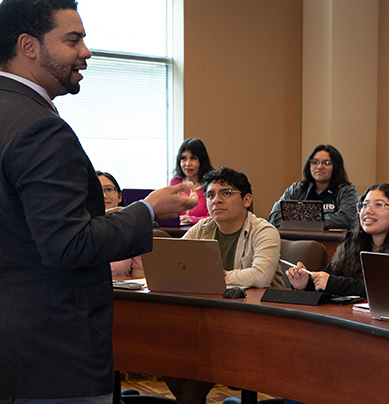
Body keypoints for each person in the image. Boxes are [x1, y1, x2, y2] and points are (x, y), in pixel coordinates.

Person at [0, 0, 197, 402]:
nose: (86, 52)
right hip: (52, 354)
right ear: (28, 46)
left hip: (2, 349)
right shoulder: (40, 128)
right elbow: (69, 244)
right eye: (72, 40)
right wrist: (148, 211)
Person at [164, 167, 284, 404]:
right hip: (208, 318)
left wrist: (219, 276)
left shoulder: (264, 231)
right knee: (167, 354)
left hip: (256, 321)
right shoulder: (202, 228)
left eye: (226, 193)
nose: (216, 200)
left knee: (193, 377)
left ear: (246, 199)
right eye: (210, 195)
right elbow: (176, 264)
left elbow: (260, 276)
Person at [287, 183, 389, 297]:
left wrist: (333, 283)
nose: (367, 211)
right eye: (365, 205)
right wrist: (307, 283)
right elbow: (327, 276)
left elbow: (386, 290)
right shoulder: (353, 242)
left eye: (378, 205)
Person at [268, 144, 359, 230]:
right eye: (315, 162)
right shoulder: (296, 189)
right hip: (296, 241)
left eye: (326, 163)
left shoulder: (347, 192)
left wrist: (299, 219)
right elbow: (275, 217)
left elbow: (346, 220)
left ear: (336, 167)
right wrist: (315, 221)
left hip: (333, 242)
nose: (319, 167)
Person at [97, 171, 144, 277]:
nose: (104, 195)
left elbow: (139, 282)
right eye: (98, 190)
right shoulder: (79, 229)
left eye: (109, 189)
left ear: (119, 197)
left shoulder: (134, 229)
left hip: (123, 293)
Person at [170, 138, 214, 224]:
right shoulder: (175, 183)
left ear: (202, 161)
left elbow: (214, 217)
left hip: (202, 233)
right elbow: (167, 212)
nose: (187, 164)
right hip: (176, 233)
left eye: (193, 158)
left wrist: (193, 220)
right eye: (183, 158)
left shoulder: (211, 185)